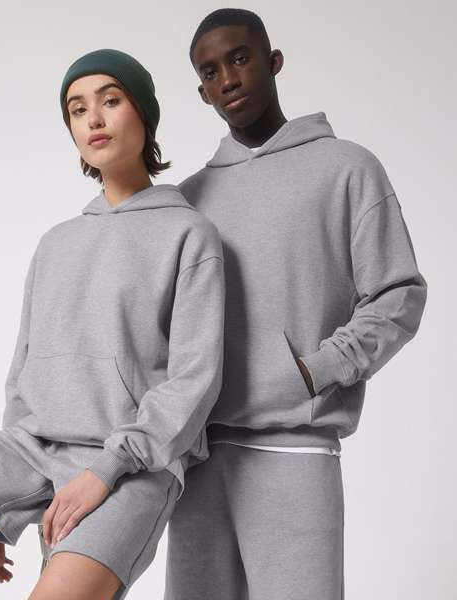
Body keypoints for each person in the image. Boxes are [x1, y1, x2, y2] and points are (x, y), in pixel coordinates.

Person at [164, 8, 427, 600]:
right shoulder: (187, 200)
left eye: (240, 58)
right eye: (210, 71)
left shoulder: (346, 168)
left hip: (294, 450)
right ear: (201, 91)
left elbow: (399, 293)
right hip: (196, 465)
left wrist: (315, 371)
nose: (228, 79)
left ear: (273, 61)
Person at [0, 47, 225, 600]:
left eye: (111, 101)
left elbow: (194, 380)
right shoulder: (56, 242)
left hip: (130, 466)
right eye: (77, 110)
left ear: (143, 114)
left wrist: (107, 469)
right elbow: (24, 370)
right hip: (28, 450)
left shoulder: (188, 234)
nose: (94, 119)